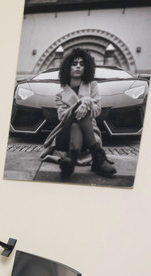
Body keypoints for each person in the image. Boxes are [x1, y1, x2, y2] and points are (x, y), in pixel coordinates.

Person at [43, 47, 116, 179]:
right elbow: (62, 117)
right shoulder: (60, 95)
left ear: (86, 68)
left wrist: (87, 103)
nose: (78, 67)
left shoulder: (92, 86)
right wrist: (81, 102)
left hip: (87, 134)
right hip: (64, 136)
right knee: (79, 114)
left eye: (82, 64)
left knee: (79, 122)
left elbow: (97, 111)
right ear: (68, 67)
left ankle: (71, 159)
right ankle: (98, 157)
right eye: (74, 63)